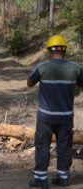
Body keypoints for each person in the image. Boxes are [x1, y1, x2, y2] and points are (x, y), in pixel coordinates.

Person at [27, 35, 83, 188]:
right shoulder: (75, 68)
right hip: (65, 117)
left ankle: (40, 179)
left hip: (45, 117)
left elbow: (29, 83)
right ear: (64, 50)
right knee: (64, 147)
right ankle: (63, 178)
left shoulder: (42, 67)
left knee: (42, 145)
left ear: (49, 51)